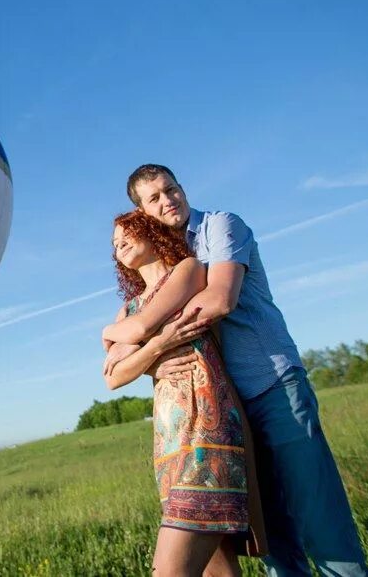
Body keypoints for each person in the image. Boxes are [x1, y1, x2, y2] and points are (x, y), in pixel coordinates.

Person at [114, 164, 368, 577]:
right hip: (230, 409)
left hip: (273, 385)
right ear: (144, 213)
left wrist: (146, 338)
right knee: (271, 536)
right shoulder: (169, 264)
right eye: (155, 198)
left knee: (320, 519)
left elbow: (219, 301)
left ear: (182, 187)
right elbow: (118, 363)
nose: (168, 200)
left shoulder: (219, 227)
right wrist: (147, 354)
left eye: (171, 188)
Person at [102, 209, 265, 577]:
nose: (119, 244)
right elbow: (113, 377)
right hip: (168, 442)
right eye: (114, 244)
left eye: (126, 233)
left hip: (207, 427)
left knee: (170, 570)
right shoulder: (127, 307)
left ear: (150, 230)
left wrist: (124, 339)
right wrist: (156, 351)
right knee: (218, 569)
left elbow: (140, 327)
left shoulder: (188, 270)